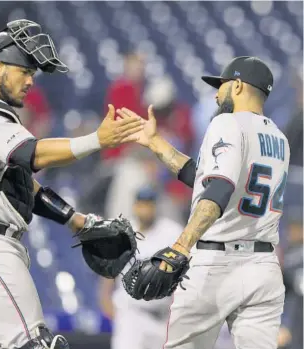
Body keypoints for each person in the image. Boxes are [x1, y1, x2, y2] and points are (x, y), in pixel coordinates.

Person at [0, 19, 143, 349]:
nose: (31, 80)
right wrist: (97, 139)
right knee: (36, 344)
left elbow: (21, 184)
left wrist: (77, 220)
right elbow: (33, 154)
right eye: (25, 69)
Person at [118, 56, 290, 349]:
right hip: (263, 266)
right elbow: (204, 179)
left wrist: (181, 246)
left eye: (221, 86)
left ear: (237, 86)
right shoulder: (279, 138)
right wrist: (155, 141)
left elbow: (219, 189)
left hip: (217, 262)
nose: (216, 94)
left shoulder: (228, 122)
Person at [99, 186, 183, 349]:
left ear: (155, 206)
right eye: (142, 204)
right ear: (135, 206)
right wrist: (106, 302)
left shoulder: (172, 232)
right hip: (131, 315)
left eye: (149, 204)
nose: (145, 209)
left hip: (163, 316)